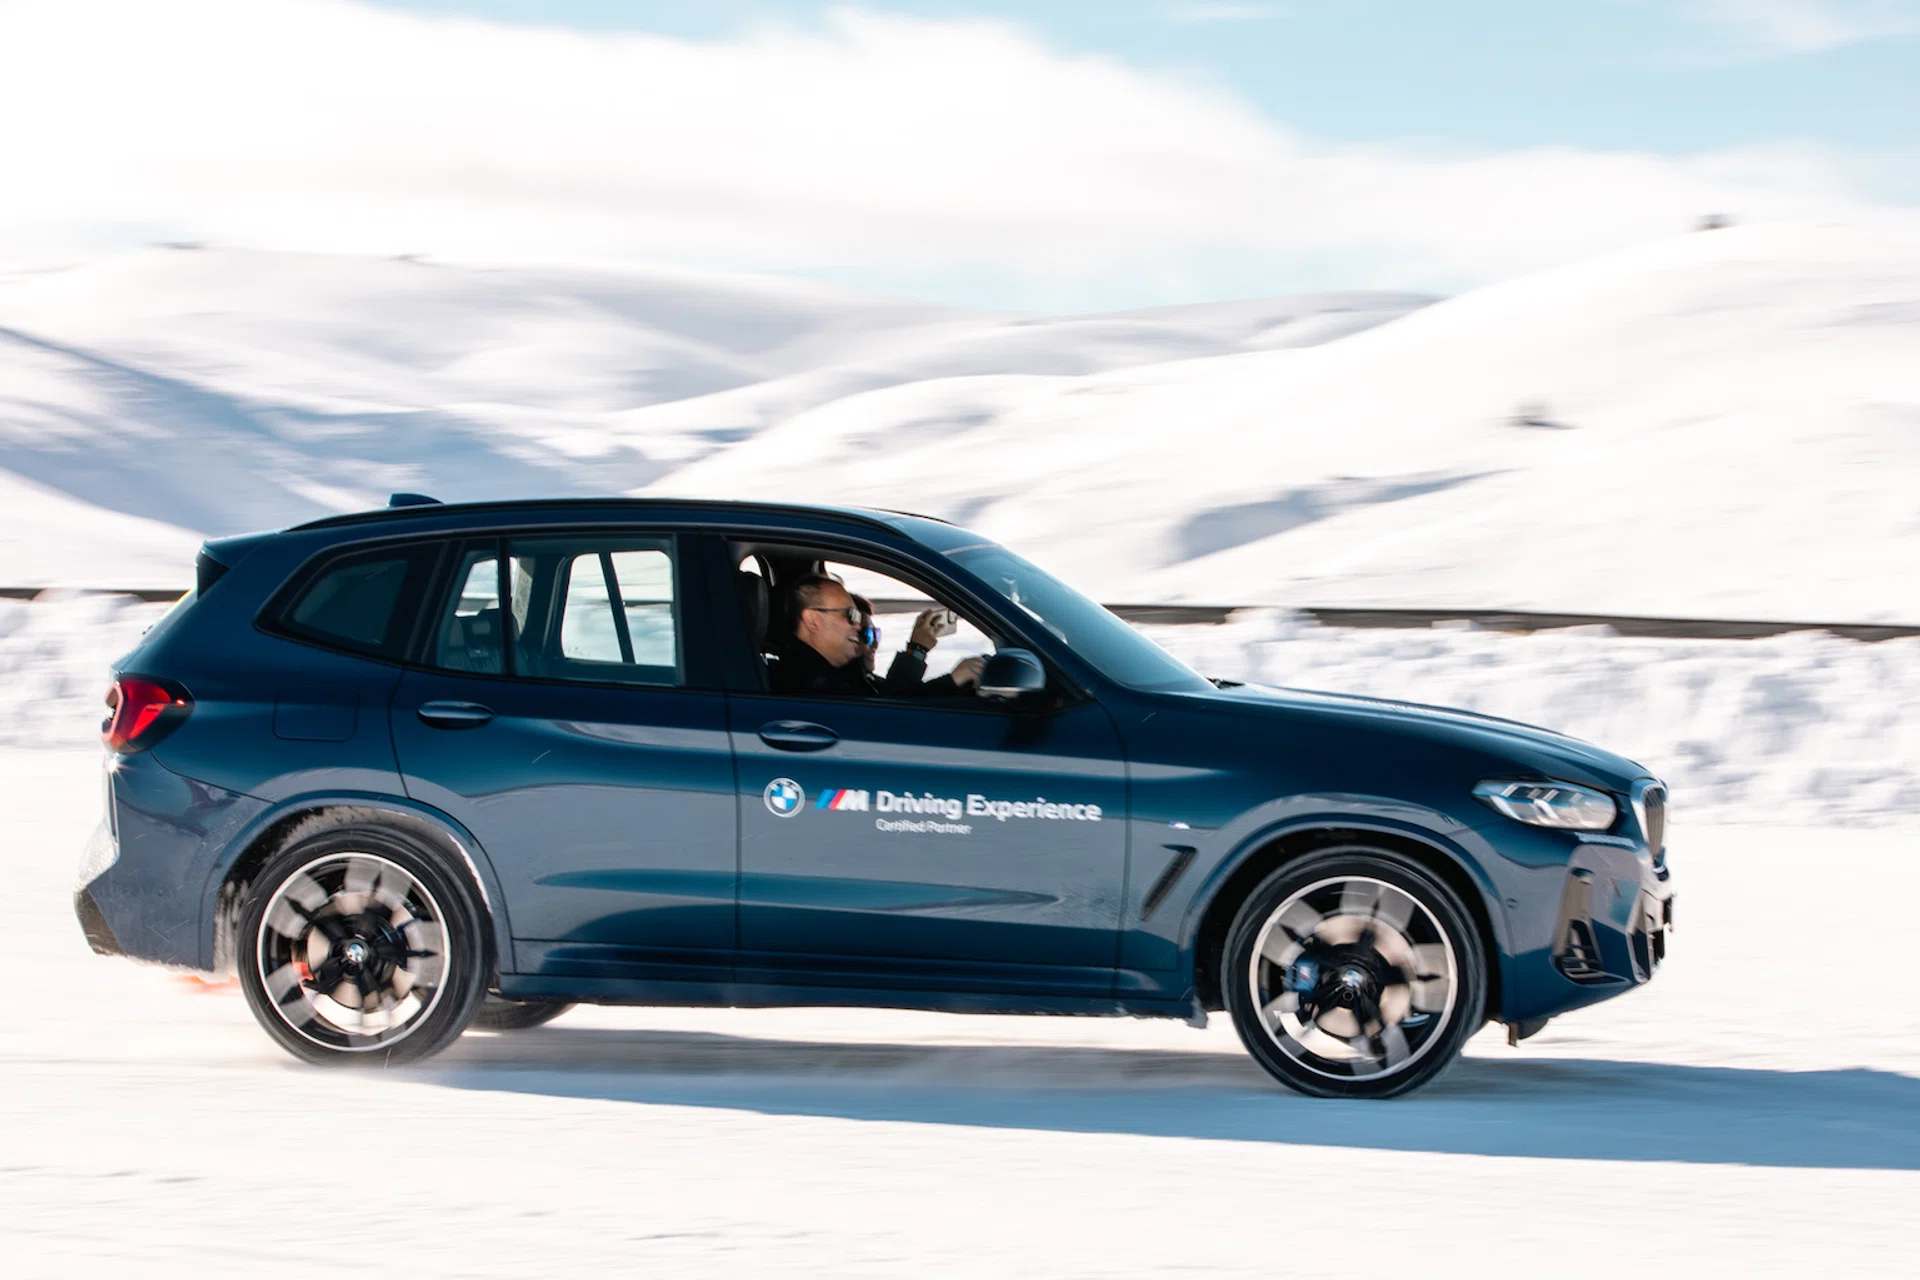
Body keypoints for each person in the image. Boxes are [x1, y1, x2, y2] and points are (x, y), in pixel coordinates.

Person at [770, 574, 982, 696]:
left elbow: (890, 699)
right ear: (812, 620)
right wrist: (952, 681)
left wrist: (917, 650)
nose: (856, 626)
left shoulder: (837, 673)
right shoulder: (810, 685)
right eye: (850, 615)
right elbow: (890, 721)